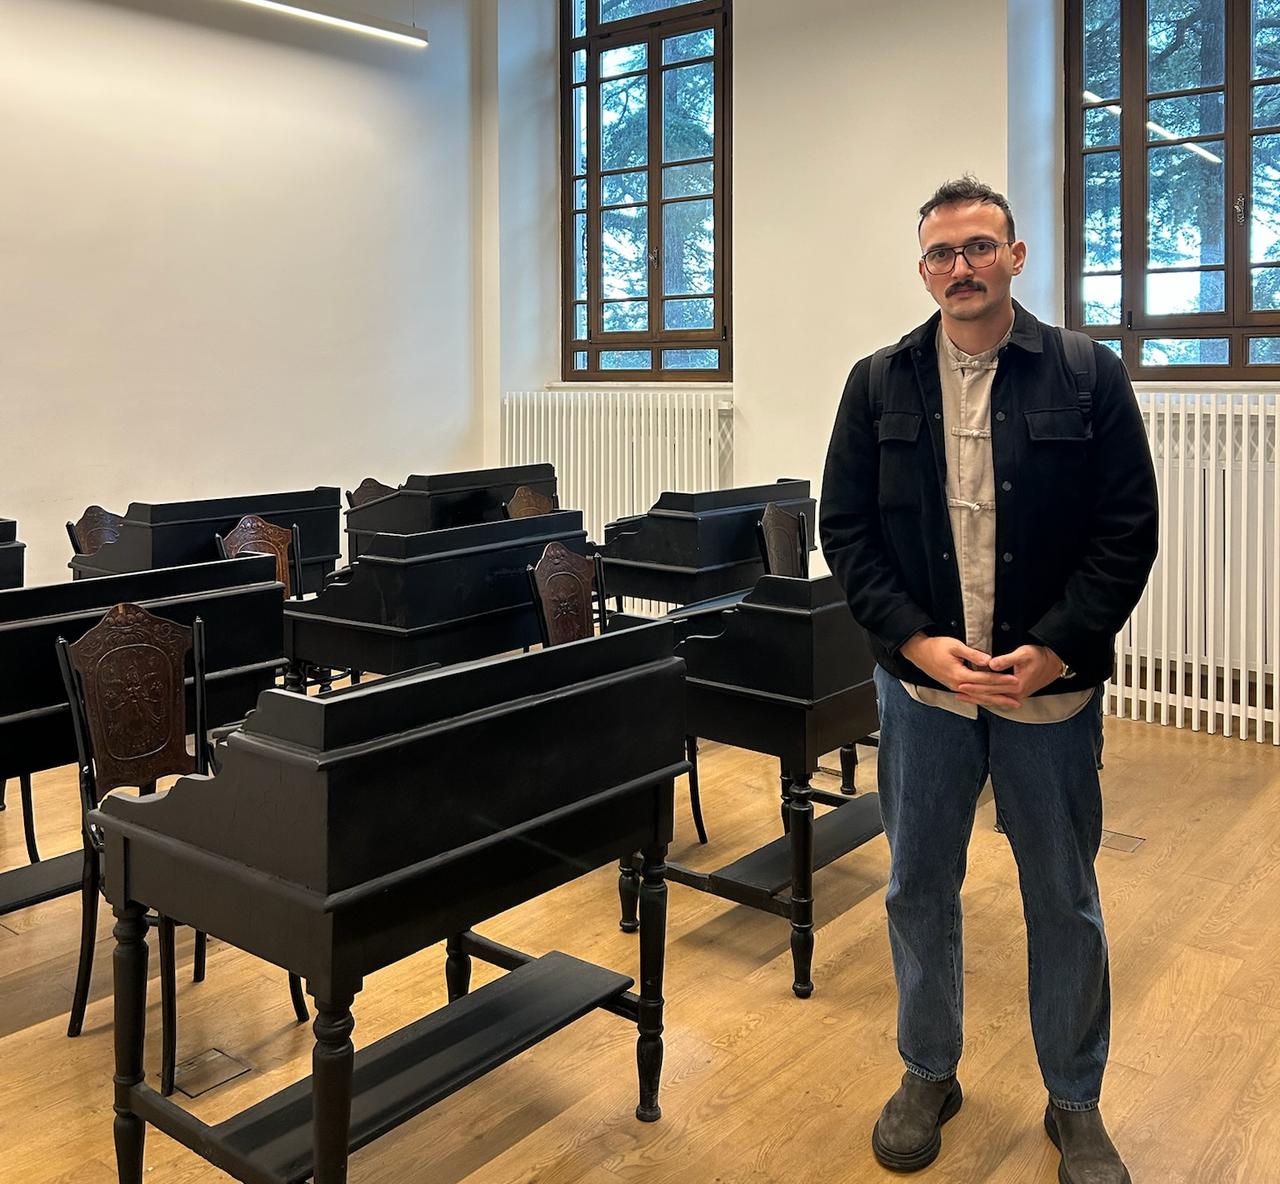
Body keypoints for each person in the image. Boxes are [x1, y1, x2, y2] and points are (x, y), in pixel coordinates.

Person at [819, 176, 1157, 1184]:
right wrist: (916, 642)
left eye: (976, 247)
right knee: (918, 882)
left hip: (1046, 695)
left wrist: (1056, 646)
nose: (957, 268)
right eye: (938, 253)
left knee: (1062, 893)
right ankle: (928, 1069)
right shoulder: (876, 383)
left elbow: (1123, 531)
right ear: (921, 269)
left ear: (1014, 256)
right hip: (921, 694)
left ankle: (1073, 1098)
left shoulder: (1087, 375)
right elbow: (848, 533)